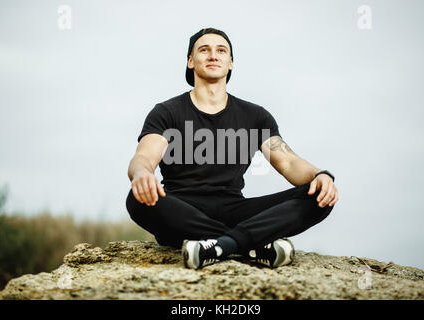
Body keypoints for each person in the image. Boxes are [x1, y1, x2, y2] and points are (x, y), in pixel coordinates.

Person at [126, 27, 338, 270]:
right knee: (137, 198)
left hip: (235, 209)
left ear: (231, 63)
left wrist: (319, 175)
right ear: (190, 61)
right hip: (181, 211)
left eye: (221, 50)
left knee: (319, 197)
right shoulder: (167, 112)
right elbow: (144, 156)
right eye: (204, 50)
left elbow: (288, 162)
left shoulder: (255, 116)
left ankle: (221, 246)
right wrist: (142, 174)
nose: (213, 55)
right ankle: (250, 244)